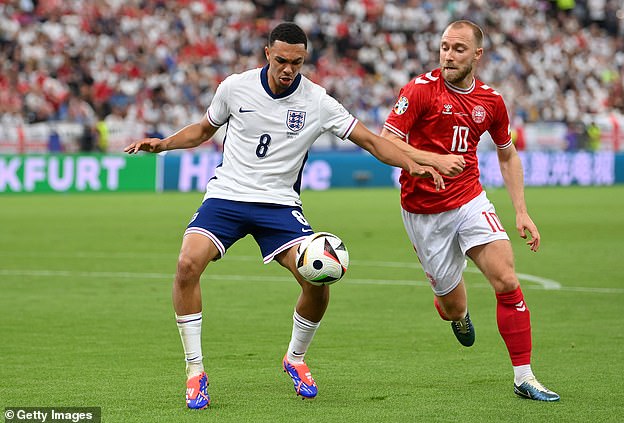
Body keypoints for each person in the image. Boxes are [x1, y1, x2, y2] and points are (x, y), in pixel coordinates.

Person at [124, 22, 463, 410]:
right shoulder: (235, 87)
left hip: (279, 204)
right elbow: (203, 130)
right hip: (227, 197)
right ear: (267, 53)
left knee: (318, 279)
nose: (288, 69)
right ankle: (195, 372)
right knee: (187, 264)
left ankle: (295, 358)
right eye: (282, 60)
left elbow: (370, 140)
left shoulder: (318, 101)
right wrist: (163, 144)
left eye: (297, 62)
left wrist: (410, 164)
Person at [380, 20, 560, 401]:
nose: (448, 54)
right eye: (444, 47)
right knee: (452, 306)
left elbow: (507, 154)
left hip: (470, 200)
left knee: (507, 280)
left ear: (477, 55)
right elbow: (386, 143)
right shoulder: (419, 91)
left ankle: (524, 377)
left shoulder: (491, 101)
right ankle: (456, 313)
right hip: (423, 212)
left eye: (458, 48)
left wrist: (522, 211)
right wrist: (433, 160)